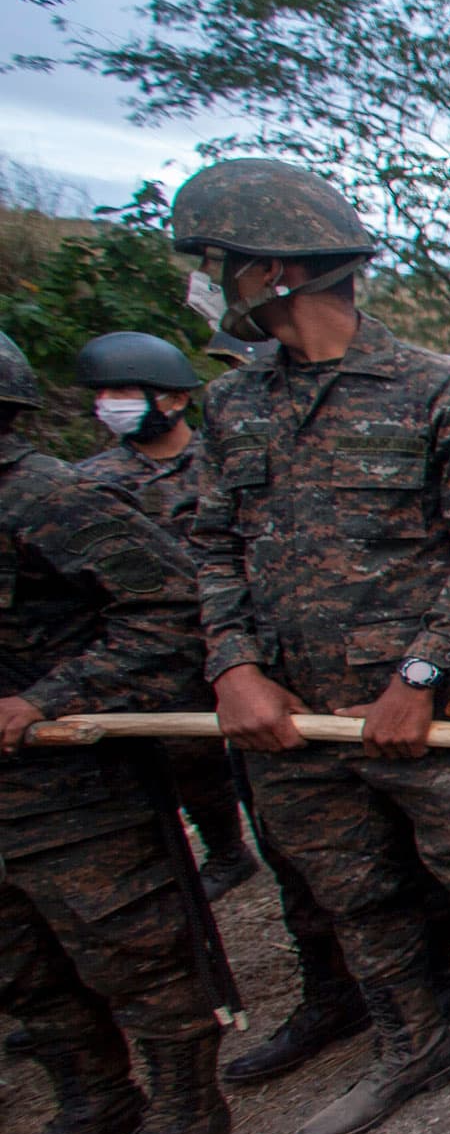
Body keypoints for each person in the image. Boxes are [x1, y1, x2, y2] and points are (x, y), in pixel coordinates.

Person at [175, 157, 450, 1134]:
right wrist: (232, 663)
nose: (211, 283)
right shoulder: (232, 406)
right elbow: (211, 544)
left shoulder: (440, 394)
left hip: (430, 706)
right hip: (289, 709)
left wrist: (421, 673)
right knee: (349, 889)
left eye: (222, 264)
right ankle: (410, 1043)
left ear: (280, 270)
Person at [0, 327, 233, 1134]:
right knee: (19, 960)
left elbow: (171, 606)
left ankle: (184, 1103)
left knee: (127, 942)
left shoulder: (44, 496)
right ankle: (91, 1103)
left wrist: (49, 697)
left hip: (65, 782)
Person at [69, 331, 258, 900]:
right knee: (185, 759)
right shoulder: (89, 482)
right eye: (104, 395)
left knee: (263, 757)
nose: (111, 406)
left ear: (173, 399)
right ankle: (224, 847)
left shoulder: (223, 461)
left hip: (242, 633)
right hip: (157, 642)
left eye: (126, 392)